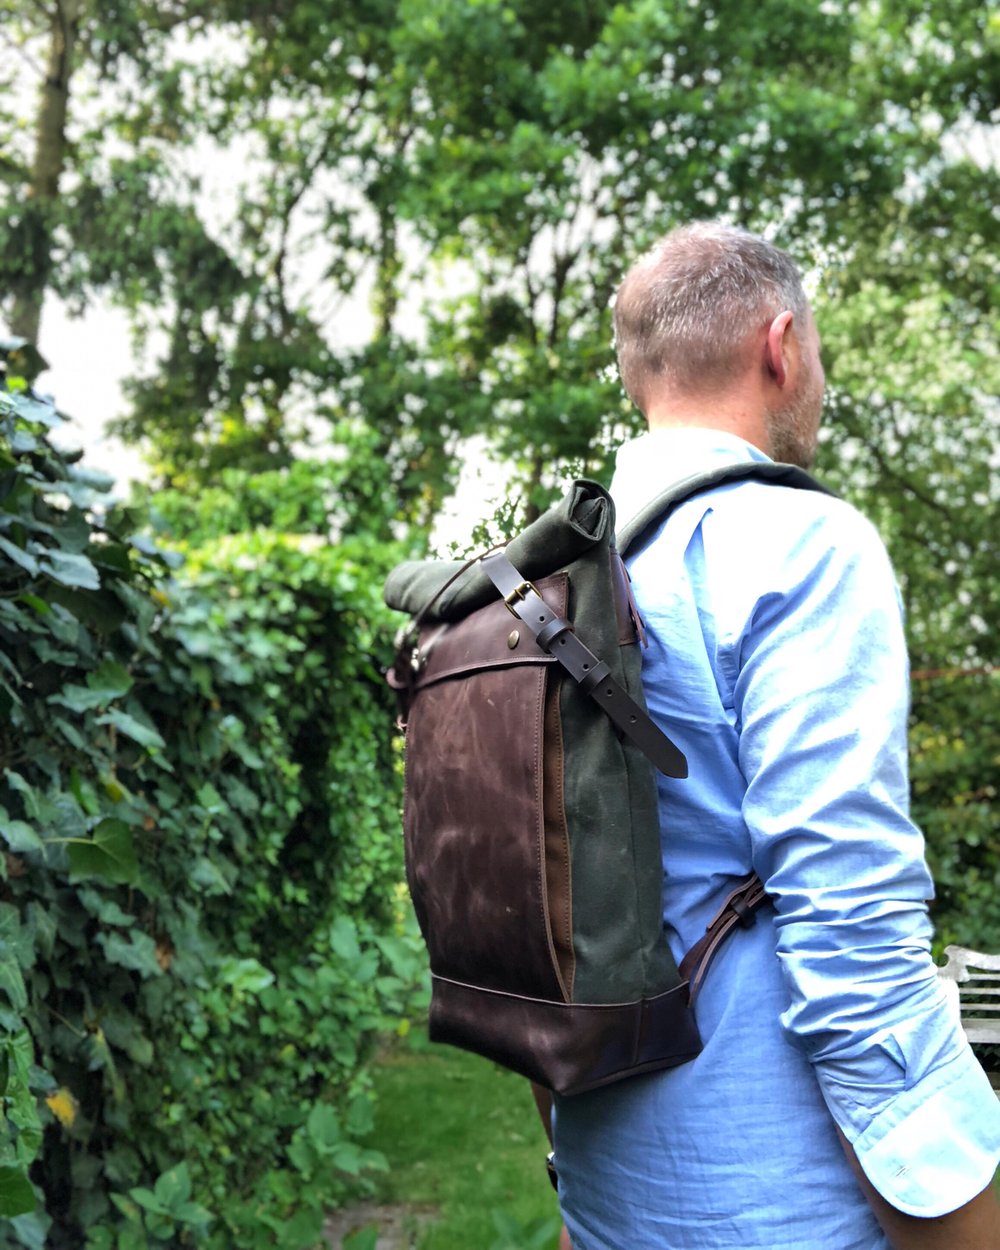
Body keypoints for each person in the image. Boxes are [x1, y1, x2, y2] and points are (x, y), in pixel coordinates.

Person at [540, 222, 1000, 1250]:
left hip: (605, 1194)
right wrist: (959, 1218)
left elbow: (542, 922)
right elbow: (854, 943)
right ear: (781, 346)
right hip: (788, 1207)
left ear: (638, 375)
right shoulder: (803, 545)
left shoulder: (550, 586)